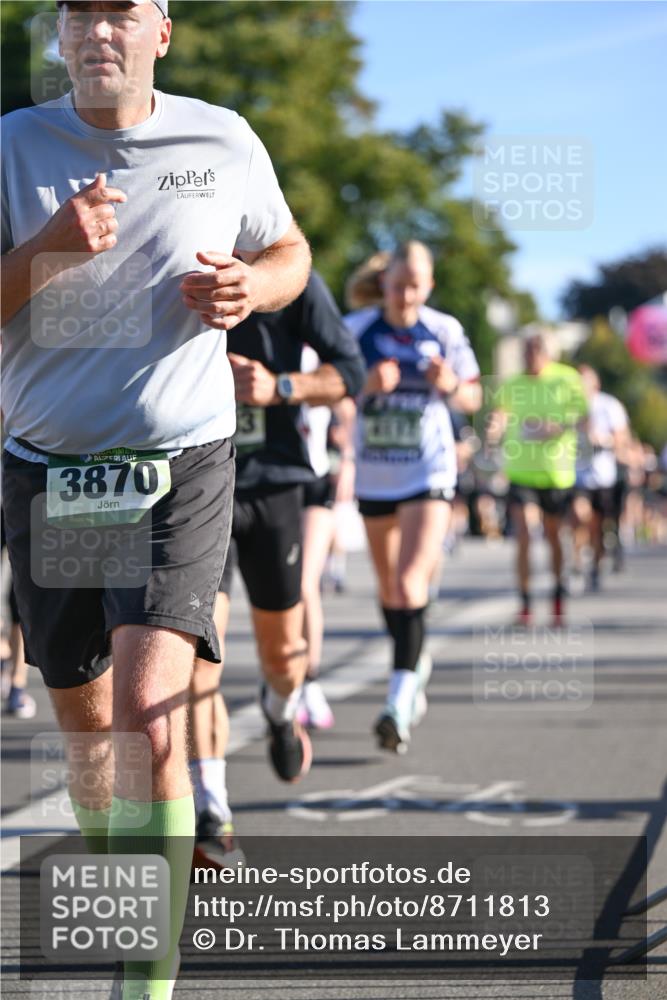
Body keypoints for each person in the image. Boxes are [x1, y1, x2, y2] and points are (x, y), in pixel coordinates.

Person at [1, 2, 311, 997]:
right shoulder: (11, 147)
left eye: (121, 11)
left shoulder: (221, 137)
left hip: (180, 460)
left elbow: (290, 252)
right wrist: (45, 246)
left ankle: (148, 982)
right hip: (47, 467)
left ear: (160, 34)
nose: (99, 28)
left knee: (148, 718)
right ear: (58, 37)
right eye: (79, 12)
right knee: (92, 739)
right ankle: (137, 863)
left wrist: (250, 291)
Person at [188, 271, 365, 867]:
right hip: (189, 488)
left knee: (283, 654)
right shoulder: (171, 255)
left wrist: (279, 385)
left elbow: (350, 371)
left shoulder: (289, 278)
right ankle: (213, 807)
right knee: (194, 658)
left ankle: (281, 710)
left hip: (273, 488)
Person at [345, 241, 481, 754]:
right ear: (383, 282)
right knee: (390, 589)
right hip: (377, 476)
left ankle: (399, 700)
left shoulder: (444, 330)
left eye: (416, 286)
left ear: (429, 287)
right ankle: (413, 658)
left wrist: (450, 385)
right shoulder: (357, 330)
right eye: (398, 285)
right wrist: (362, 384)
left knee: (408, 580)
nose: (406, 295)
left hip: (430, 472)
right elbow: (329, 388)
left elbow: (473, 394)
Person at [489, 334, 588, 627]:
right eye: (526, 351)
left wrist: (557, 427)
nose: (530, 357)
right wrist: (494, 429)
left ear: (548, 354)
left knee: (555, 537)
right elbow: (500, 414)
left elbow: (583, 417)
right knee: (524, 534)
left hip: (556, 473)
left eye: (535, 351)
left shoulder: (567, 379)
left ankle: (557, 598)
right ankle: (525, 604)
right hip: (520, 471)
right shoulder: (512, 384)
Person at [571, 365, 630, 590]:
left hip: (603, 476)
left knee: (597, 526)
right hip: (576, 476)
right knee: (579, 515)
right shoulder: (569, 407)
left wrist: (602, 440)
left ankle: (594, 566)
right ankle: (576, 563)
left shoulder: (608, 405)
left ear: (595, 384)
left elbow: (622, 439)